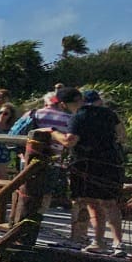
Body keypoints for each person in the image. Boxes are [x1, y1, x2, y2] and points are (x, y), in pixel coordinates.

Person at [70, 89, 128, 255]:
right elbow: (122, 136)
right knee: (110, 203)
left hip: (87, 162)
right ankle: (118, 242)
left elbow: (72, 140)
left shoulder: (78, 116)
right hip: (110, 162)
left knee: (92, 203)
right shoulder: (110, 114)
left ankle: (98, 241)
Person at [29, 87, 84, 242]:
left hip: (30, 157)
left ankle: (25, 222)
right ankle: (36, 221)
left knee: (28, 191)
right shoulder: (70, 119)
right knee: (46, 194)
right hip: (54, 160)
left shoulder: (35, 113)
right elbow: (70, 141)